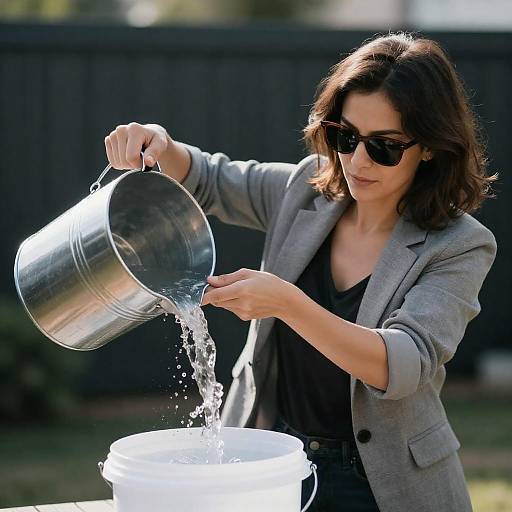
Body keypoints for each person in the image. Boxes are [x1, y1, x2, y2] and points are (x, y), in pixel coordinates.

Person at [104, 32, 497, 512]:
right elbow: (208, 179)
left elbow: (402, 365)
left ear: (432, 147)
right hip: (275, 463)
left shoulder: (459, 244)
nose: (357, 160)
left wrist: (286, 303)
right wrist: (159, 144)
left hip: (383, 483)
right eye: (345, 136)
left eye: (385, 147)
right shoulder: (306, 191)